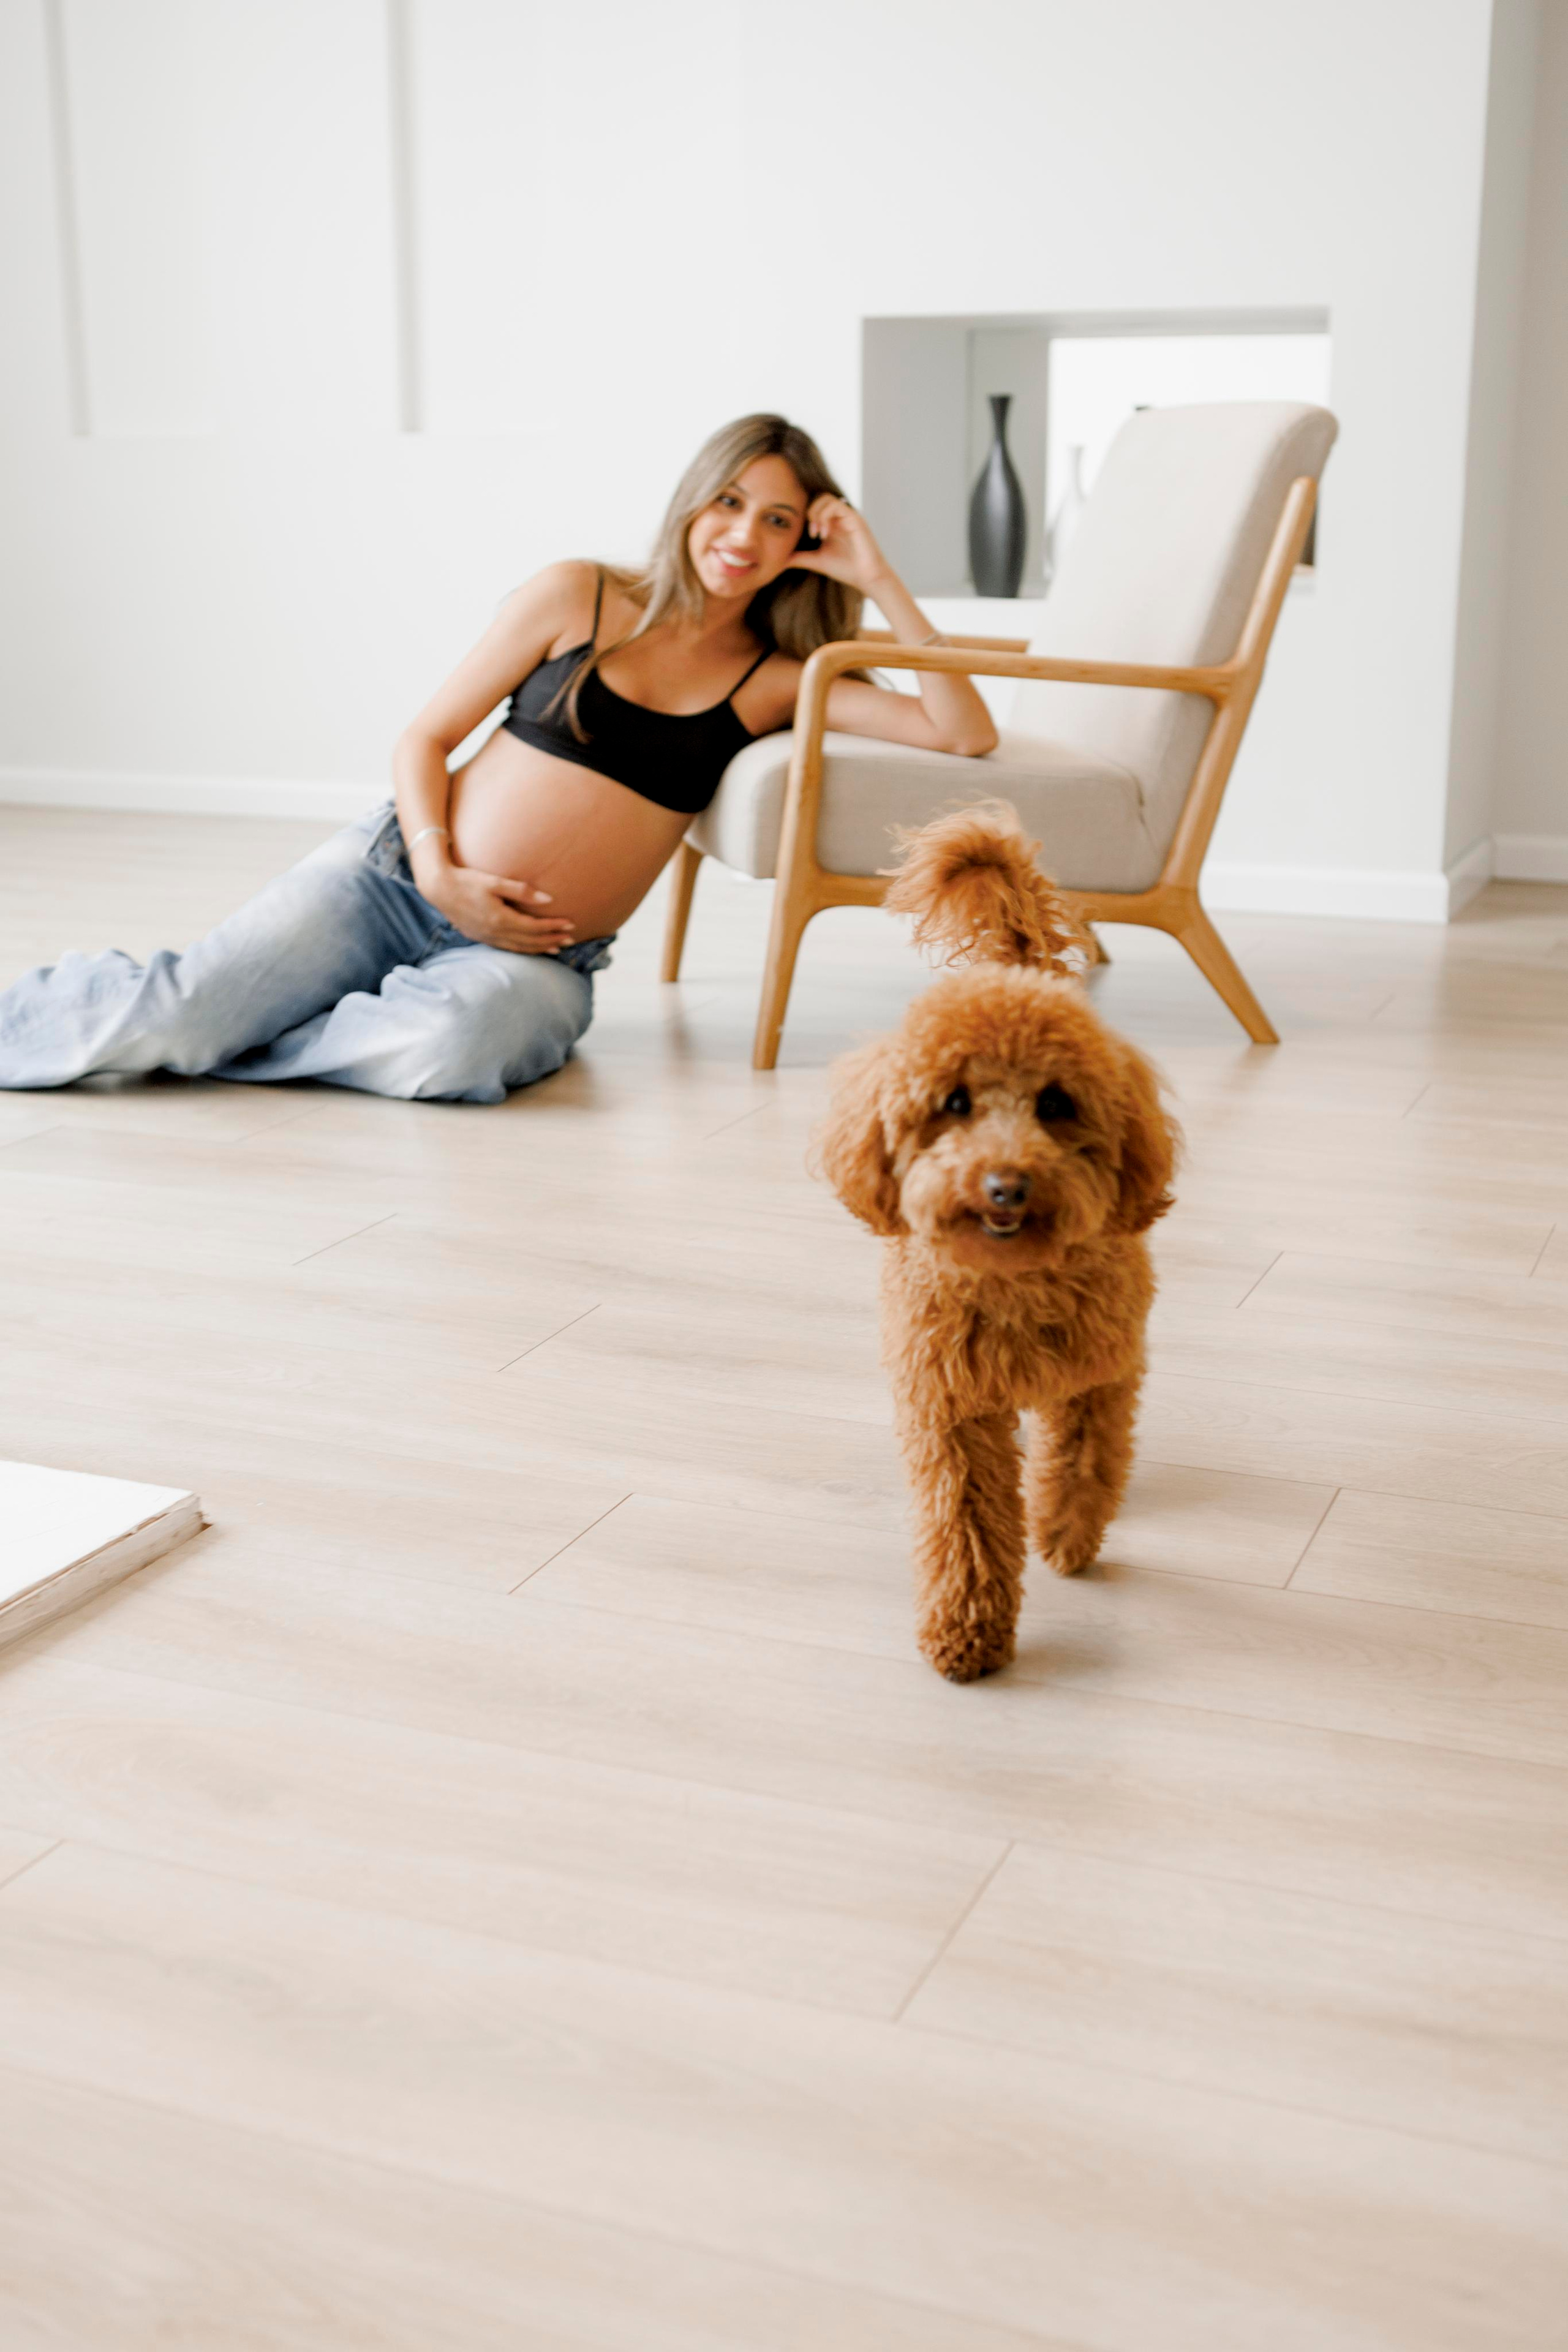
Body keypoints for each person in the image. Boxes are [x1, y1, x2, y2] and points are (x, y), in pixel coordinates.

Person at [0, 414, 998, 1104]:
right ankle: (197, 1031)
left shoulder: (777, 678)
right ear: (693, 502)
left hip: (535, 959)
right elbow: (424, 739)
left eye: (778, 520)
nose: (743, 536)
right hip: (392, 882)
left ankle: (229, 1043)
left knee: (454, 1050)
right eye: (729, 503)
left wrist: (878, 573)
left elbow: (961, 731)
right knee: (178, 1010)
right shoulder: (579, 595)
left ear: (801, 542)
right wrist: (437, 866)